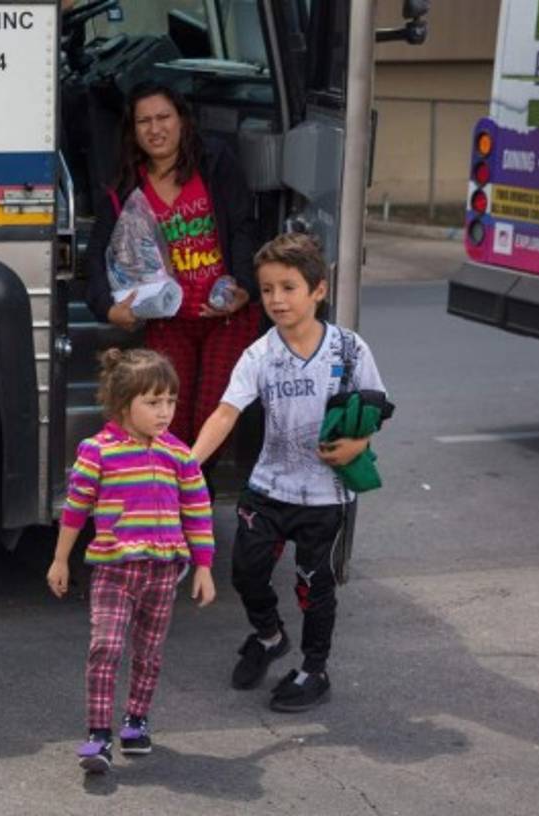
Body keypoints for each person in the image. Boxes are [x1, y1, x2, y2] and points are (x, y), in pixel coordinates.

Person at [189, 233, 388, 713]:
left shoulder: (349, 349)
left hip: (325, 497)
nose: (276, 299)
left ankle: (314, 670)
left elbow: (377, 406)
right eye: (267, 289)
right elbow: (225, 413)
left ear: (318, 290)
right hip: (267, 489)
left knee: (313, 587)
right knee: (246, 573)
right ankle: (269, 636)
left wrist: (359, 444)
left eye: (288, 287)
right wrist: (186, 465)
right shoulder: (259, 355)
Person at [47, 348, 216, 774]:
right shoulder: (97, 451)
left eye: (171, 401)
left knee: (149, 652)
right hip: (114, 569)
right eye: (153, 402)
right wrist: (60, 560)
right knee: (105, 647)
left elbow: (198, 511)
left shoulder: (180, 455)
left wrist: (204, 566)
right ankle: (98, 735)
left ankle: (136, 721)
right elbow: (76, 508)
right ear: (124, 404)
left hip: (163, 571)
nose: (165, 412)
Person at [85, 82, 263, 458]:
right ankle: (176, 488)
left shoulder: (215, 162)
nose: (155, 129)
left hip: (225, 316)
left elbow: (243, 226)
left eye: (163, 117)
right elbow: (97, 253)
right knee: (168, 421)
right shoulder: (125, 186)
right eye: (144, 121)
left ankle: (195, 487)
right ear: (132, 130)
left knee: (211, 417)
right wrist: (107, 308)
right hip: (168, 320)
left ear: (182, 120)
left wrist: (245, 288)